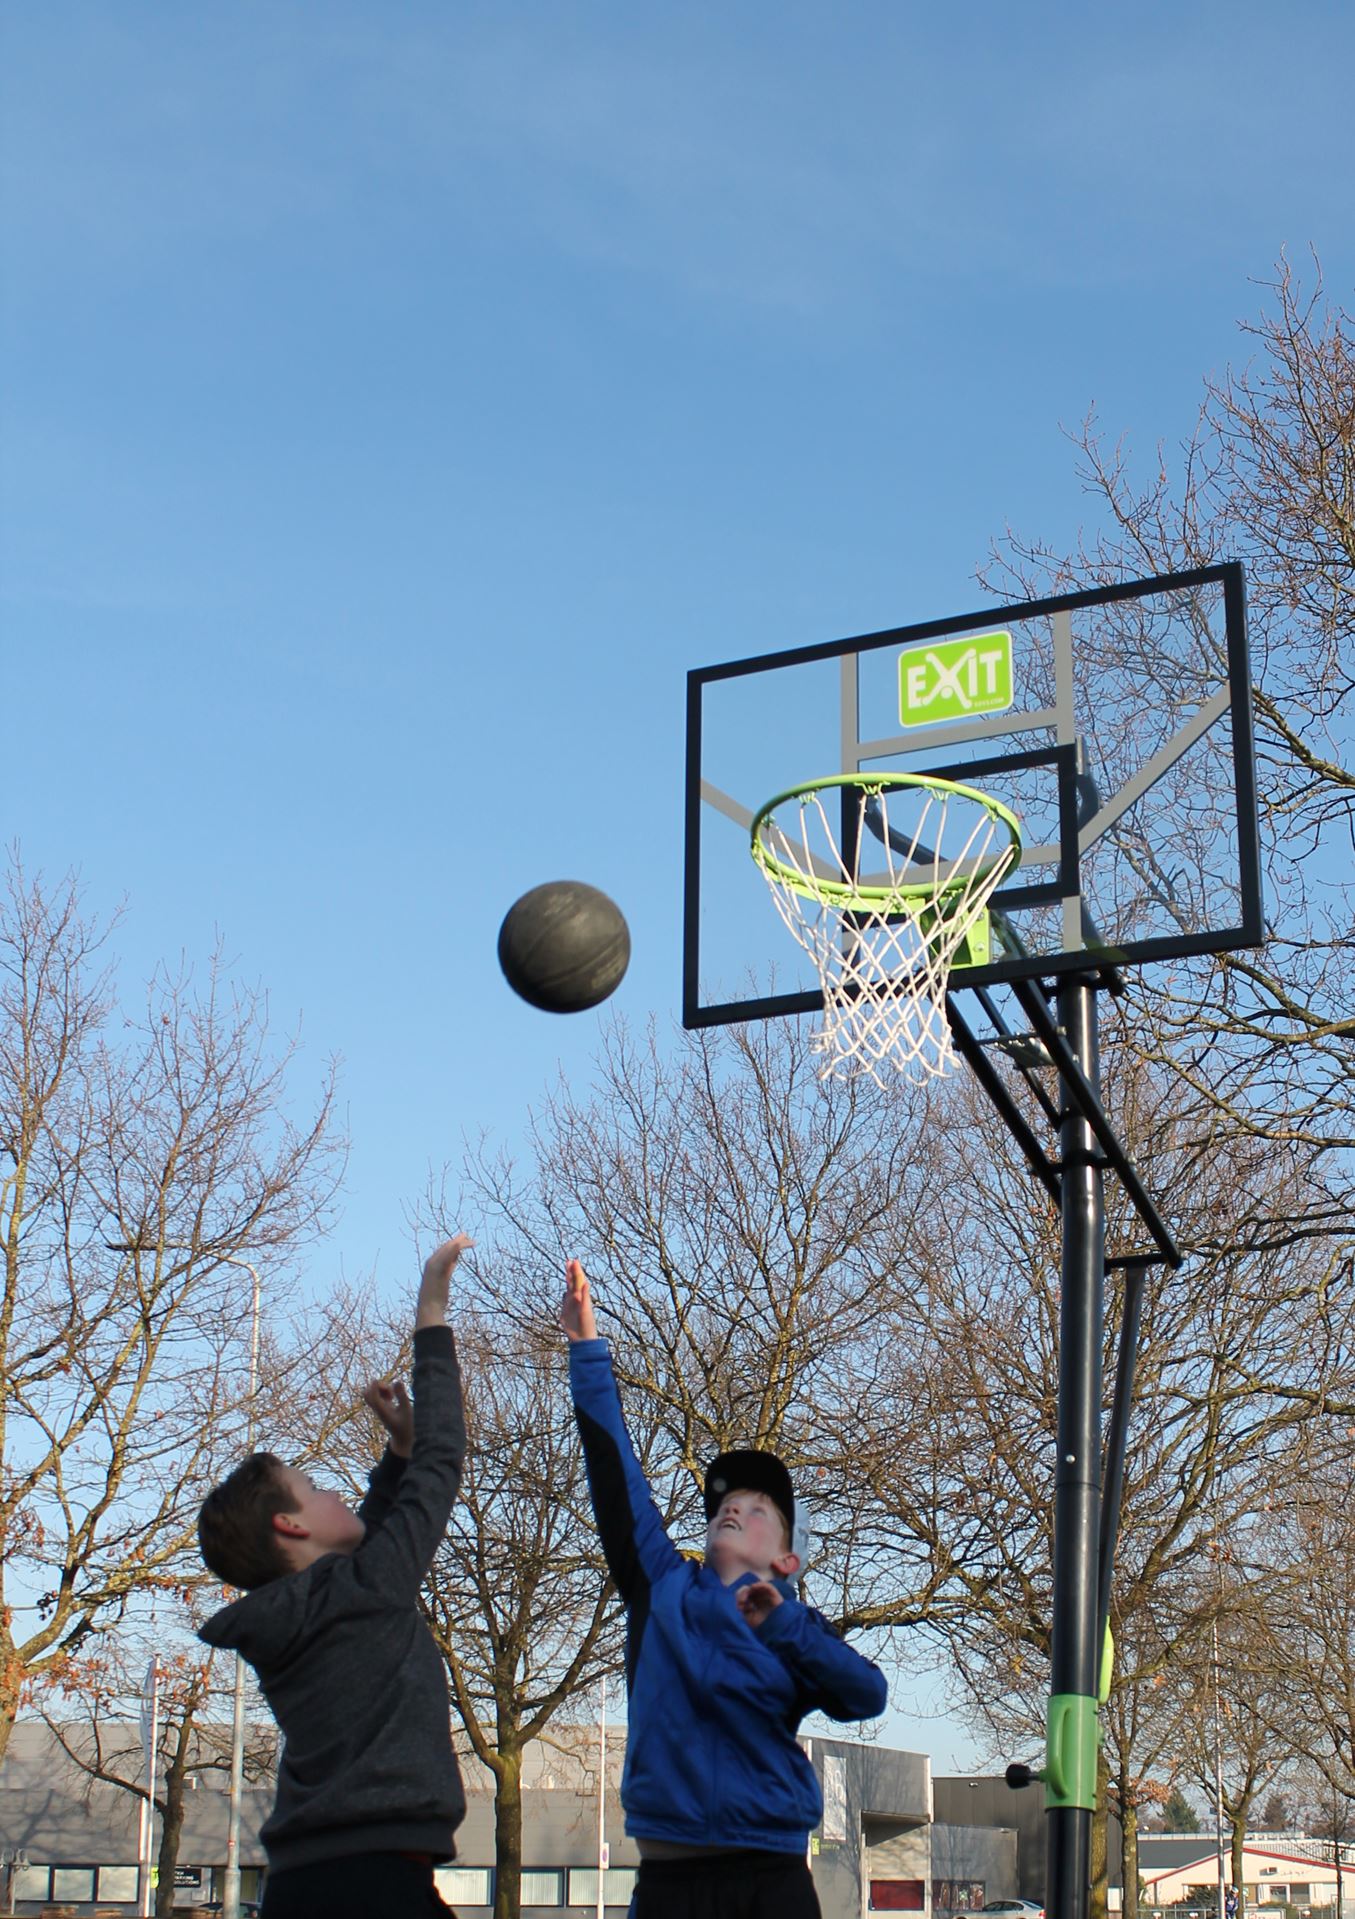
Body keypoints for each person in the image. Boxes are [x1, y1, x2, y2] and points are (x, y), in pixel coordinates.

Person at [560, 1258, 887, 1919]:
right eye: (725, 1503)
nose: (734, 1508)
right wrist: (585, 1347)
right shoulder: (660, 1585)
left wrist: (784, 1628)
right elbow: (614, 1471)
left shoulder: (798, 1630)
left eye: (757, 1507)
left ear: (787, 1559)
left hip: (769, 1878)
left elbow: (866, 1695)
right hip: (670, 1881)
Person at [197, 1234, 473, 1919]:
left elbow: (369, 1552)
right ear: (291, 1526)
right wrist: (431, 1310)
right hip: (374, 1884)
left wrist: (395, 1452)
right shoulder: (363, 1590)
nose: (332, 1494)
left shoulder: (312, 1607)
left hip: (306, 1882)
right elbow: (441, 1464)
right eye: (313, 1487)